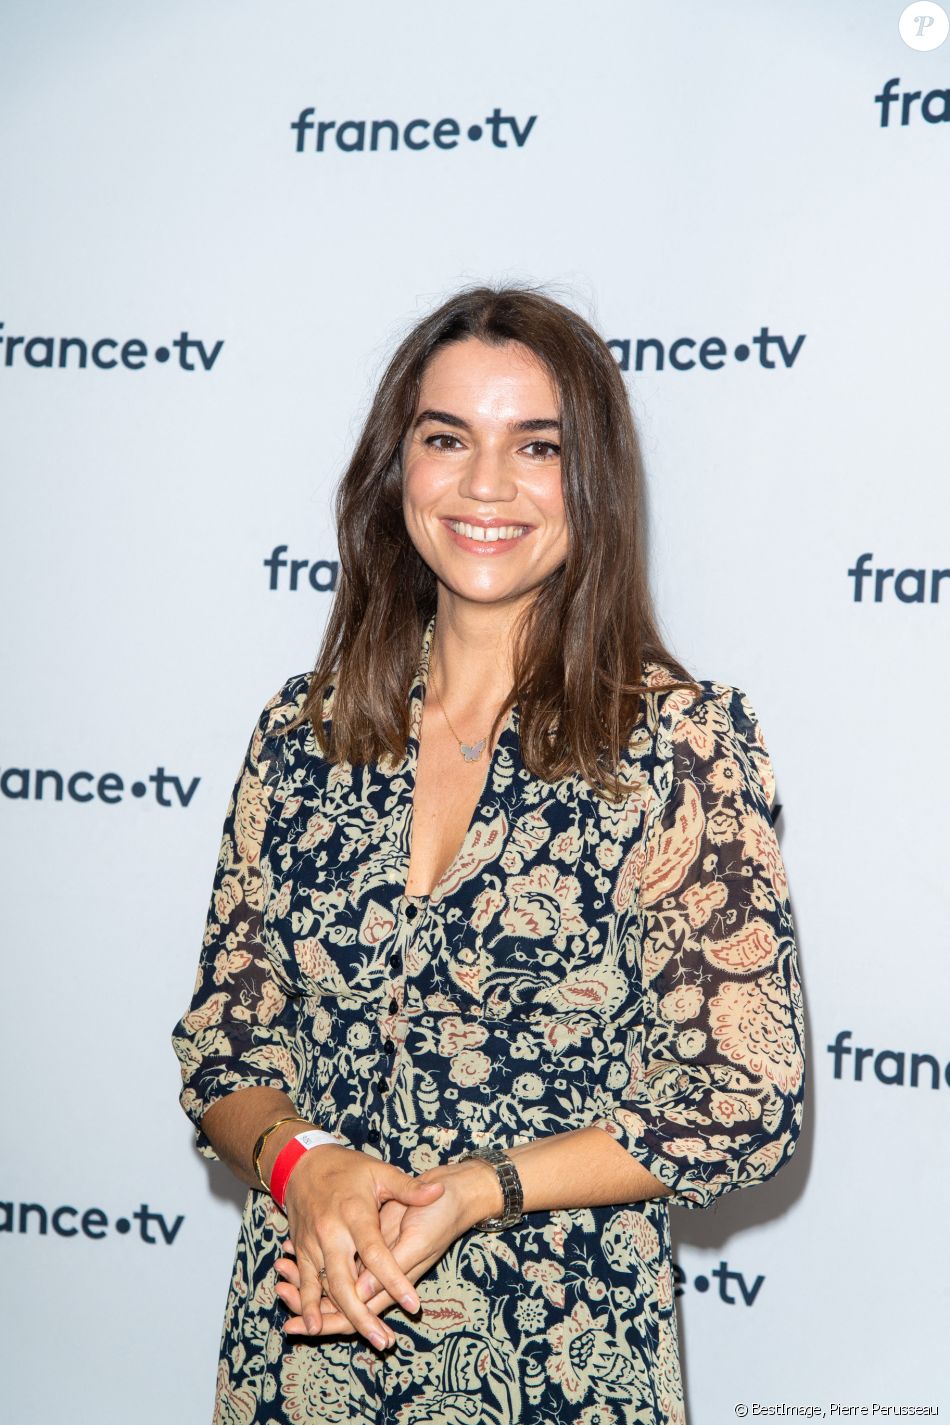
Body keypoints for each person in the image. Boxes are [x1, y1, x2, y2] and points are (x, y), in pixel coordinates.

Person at [171, 283, 806, 1425]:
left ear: (592, 483)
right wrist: (300, 1162)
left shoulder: (671, 746)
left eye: (537, 447)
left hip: (554, 1362)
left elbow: (741, 1099)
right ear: (394, 470)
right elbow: (225, 1045)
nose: (484, 486)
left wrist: (475, 1190)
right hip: (304, 1349)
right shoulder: (300, 735)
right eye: (446, 439)